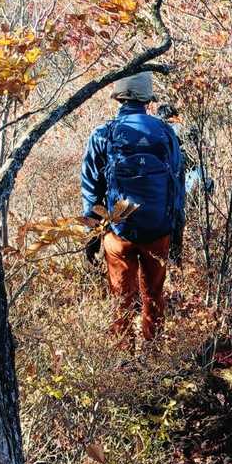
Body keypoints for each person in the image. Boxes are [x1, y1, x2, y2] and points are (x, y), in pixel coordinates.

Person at [81, 72, 185, 346]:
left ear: (119, 97)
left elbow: (91, 190)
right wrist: (176, 232)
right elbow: (177, 186)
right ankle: (153, 353)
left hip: (118, 230)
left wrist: (92, 235)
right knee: (154, 296)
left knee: (121, 299)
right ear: (147, 100)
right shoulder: (166, 132)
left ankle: (122, 358)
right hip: (158, 229)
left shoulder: (103, 134)